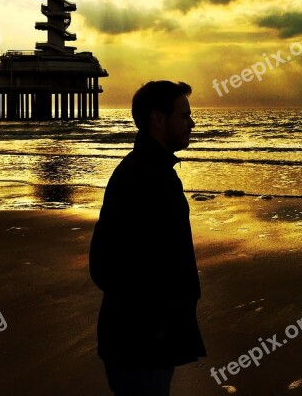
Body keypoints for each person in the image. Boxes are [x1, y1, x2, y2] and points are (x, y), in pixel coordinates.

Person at [89, 80, 205, 395]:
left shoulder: (151, 171)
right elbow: (104, 262)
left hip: (140, 337)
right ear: (157, 119)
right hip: (139, 342)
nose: (191, 123)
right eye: (183, 115)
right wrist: (155, 321)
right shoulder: (142, 176)